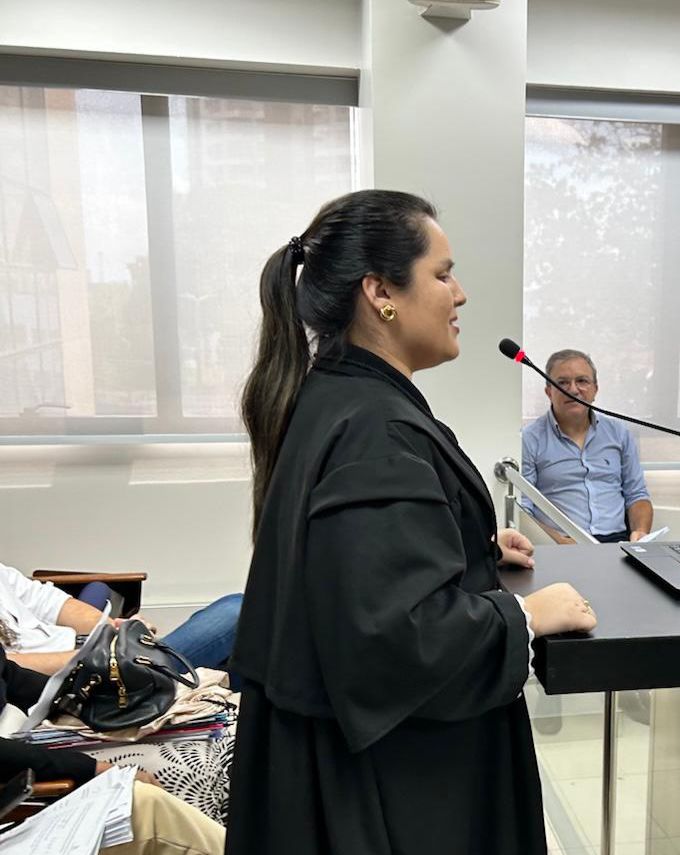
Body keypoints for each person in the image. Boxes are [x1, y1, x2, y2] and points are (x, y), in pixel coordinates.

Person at [225, 190, 597, 855]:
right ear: (380, 293)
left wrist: (462, 543)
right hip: (388, 787)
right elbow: (396, 637)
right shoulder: (376, 427)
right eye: (443, 273)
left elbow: (345, 564)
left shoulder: (334, 393)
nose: (461, 294)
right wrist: (527, 614)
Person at [0, 644, 225, 854]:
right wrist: (92, 769)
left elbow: (10, 675)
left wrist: (88, 702)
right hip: (17, 768)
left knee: (214, 731)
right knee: (152, 796)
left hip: (22, 736)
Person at [0, 560, 241, 677]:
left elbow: (50, 602)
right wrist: (105, 655)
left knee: (239, 664)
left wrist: (116, 630)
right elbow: (7, 666)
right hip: (66, 678)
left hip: (95, 655)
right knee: (236, 613)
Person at [521, 349, 653, 543]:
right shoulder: (529, 439)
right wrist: (559, 543)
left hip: (617, 543)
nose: (573, 390)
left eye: (582, 381)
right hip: (562, 544)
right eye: (562, 383)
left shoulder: (619, 433)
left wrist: (640, 533)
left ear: (595, 390)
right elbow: (522, 510)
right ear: (549, 392)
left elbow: (637, 495)